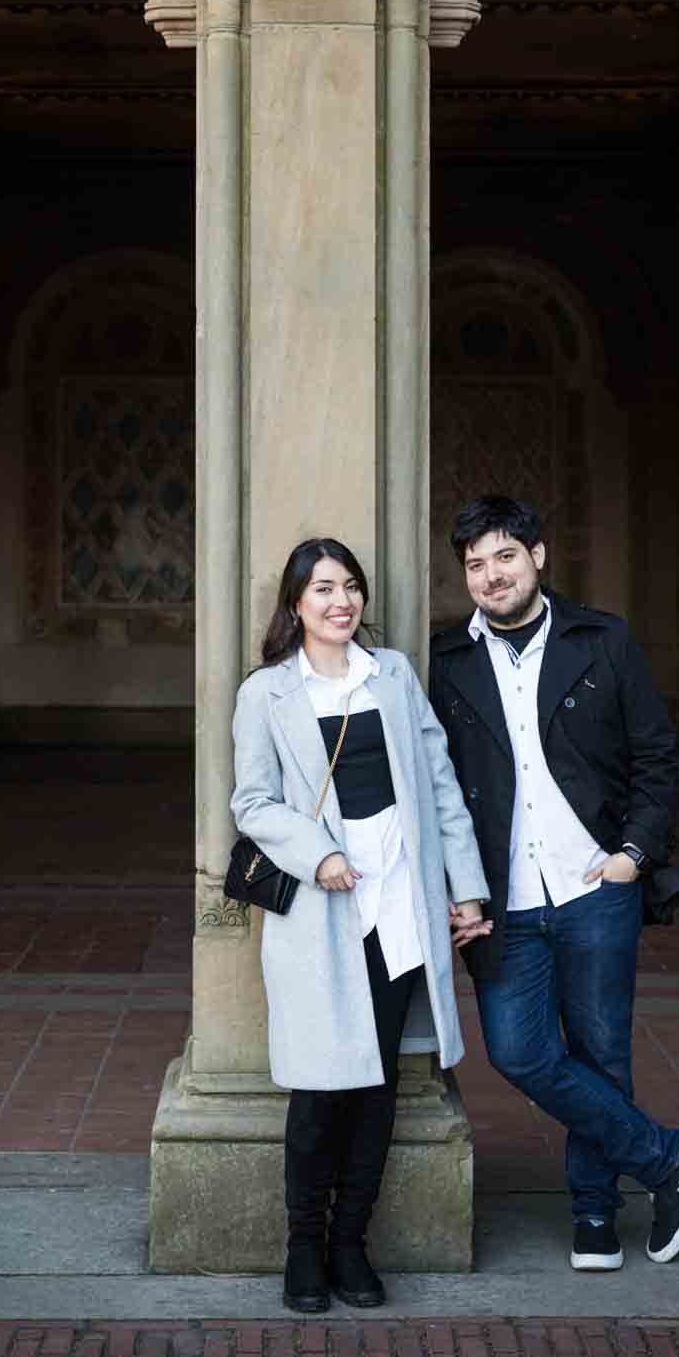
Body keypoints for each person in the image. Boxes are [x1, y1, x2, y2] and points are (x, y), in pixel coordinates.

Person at [428, 494, 679, 1272]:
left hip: (594, 887)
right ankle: (664, 1157)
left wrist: (633, 855)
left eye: (504, 556)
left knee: (600, 1051)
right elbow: (435, 786)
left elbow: (656, 757)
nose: (491, 575)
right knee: (518, 1053)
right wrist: (456, 887)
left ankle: (593, 1215)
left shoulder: (603, 640)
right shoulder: (444, 664)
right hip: (501, 901)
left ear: (538, 557)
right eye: (475, 564)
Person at [231, 536, 492, 1314]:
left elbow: (440, 785)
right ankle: (302, 1250)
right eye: (321, 590)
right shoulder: (266, 693)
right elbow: (252, 802)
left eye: (350, 587)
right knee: (320, 1092)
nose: (340, 601)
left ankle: (352, 1244)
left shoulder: (395, 677)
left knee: (375, 1086)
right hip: (322, 914)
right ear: (295, 604)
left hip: (398, 908)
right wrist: (319, 857)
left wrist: (467, 890)